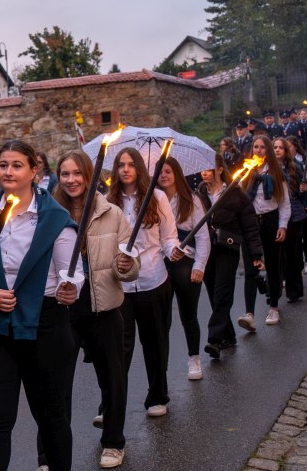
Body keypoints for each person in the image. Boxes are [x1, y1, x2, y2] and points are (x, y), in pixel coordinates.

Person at [0, 140, 77, 471]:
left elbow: (72, 271)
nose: (8, 172)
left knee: (49, 413)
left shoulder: (54, 218)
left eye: (17, 165)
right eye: (3, 165)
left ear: (35, 171)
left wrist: (71, 287)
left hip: (45, 323)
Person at [49, 149, 137, 470]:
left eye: (77, 173)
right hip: (63, 307)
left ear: (89, 175)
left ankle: (113, 442)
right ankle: (50, 457)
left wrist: (126, 263)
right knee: (56, 384)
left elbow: (129, 264)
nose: (71, 180)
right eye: (64, 174)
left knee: (112, 378)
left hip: (103, 305)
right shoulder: (50, 213)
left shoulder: (112, 213)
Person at [107, 147, 179, 415]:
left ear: (139, 168)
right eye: (120, 165)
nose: (125, 169)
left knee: (155, 341)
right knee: (119, 347)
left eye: (130, 164)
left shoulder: (157, 197)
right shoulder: (108, 201)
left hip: (152, 279)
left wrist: (174, 250)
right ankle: (112, 404)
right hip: (121, 285)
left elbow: (168, 237)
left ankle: (158, 395)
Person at [196, 155, 263, 360]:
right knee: (213, 292)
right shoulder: (199, 195)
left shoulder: (235, 194)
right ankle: (229, 335)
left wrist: (256, 255)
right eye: (202, 170)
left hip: (228, 247)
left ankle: (214, 339)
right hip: (207, 248)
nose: (204, 173)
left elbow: (250, 227)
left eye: (208, 169)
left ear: (218, 170)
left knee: (223, 292)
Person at [157, 156, 211, 381]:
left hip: (185, 263)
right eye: (160, 172)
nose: (164, 175)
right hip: (160, 263)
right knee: (162, 320)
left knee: (188, 315)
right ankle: (161, 366)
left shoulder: (191, 199)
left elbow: (203, 237)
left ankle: (194, 358)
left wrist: (199, 266)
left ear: (176, 174)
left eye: (168, 171)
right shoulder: (153, 199)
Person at [238, 135, 290, 330]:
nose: (258, 150)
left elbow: (284, 203)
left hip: (270, 220)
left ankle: (274, 306)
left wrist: (282, 225)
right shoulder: (247, 172)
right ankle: (249, 313)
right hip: (250, 223)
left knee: (273, 267)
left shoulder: (276, 174)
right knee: (251, 269)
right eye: (255, 147)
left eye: (262, 147)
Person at [275, 138, 307, 303]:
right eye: (275, 148)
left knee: (292, 252)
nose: (278, 150)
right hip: (275, 215)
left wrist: (303, 190)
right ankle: (277, 285)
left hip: (294, 214)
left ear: (286, 151)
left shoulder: (295, 167)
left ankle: (294, 289)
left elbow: (301, 195)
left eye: (281, 148)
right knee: (279, 254)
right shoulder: (266, 170)